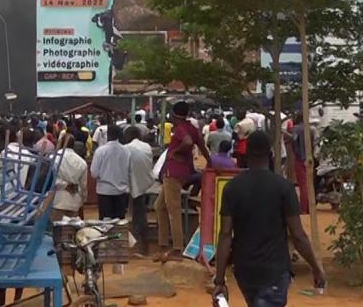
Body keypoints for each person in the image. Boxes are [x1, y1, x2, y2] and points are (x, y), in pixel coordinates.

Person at [213, 131, 325, 307]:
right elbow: (298, 235)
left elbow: (225, 234)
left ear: (245, 154)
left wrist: (219, 280)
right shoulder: (284, 188)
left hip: (244, 270)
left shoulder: (232, 188)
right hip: (275, 271)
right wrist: (316, 268)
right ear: (271, 154)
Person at [156, 101, 210, 262]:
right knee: (159, 206)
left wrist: (175, 152)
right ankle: (164, 246)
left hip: (172, 172)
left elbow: (187, 142)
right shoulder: (192, 128)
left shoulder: (180, 129)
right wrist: (210, 163)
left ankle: (177, 249)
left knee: (173, 211)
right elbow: (202, 146)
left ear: (173, 115)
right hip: (183, 172)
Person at [123, 126, 154, 255]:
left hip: (130, 184)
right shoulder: (147, 147)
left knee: (136, 215)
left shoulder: (126, 149)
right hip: (147, 183)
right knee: (139, 213)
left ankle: (140, 245)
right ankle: (140, 243)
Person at [90, 124, 131, 219]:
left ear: (108, 135)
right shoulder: (126, 151)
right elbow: (128, 170)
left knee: (105, 224)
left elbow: (94, 173)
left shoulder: (100, 151)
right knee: (119, 224)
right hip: (121, 192)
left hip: (104, 192)